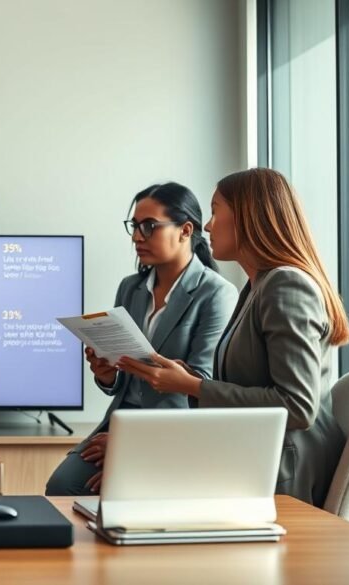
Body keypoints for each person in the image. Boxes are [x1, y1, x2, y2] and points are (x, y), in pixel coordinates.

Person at [118, 168, 349, 507]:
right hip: (253, 455)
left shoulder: (286, 285)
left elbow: (298, 407)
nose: (208, 226)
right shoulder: (256, 287)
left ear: (247, 217)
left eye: (215, 211)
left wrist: (191, 386)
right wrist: (185, 378)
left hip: (285, 471)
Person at [45, 182, 237, 495]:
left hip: (173, 433)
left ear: (185, 230)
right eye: (134, 226)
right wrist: (107, 375)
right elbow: (124, 381)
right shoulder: (130, 288)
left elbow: (202, 384)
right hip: (120, 421)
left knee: (98, 493)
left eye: (149, 226)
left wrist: (132, 445)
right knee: (62, 487)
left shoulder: (216, 294)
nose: (137, 237)